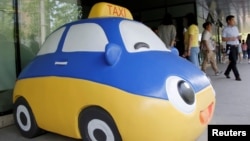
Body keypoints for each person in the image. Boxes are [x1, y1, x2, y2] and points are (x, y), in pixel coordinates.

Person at [222, 15, 241, 81]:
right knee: (233, 61)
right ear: (228, 21)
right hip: (230, 46)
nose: (234, 21)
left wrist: (239, 37)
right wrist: (230, 38)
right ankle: (237, 76)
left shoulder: (236, 28)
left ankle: (227, 72)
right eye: (232, 20)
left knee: (234, 61)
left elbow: (237, 36)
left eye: (234, 20)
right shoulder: (225, 29)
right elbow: (223, 39)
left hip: (236, 46)